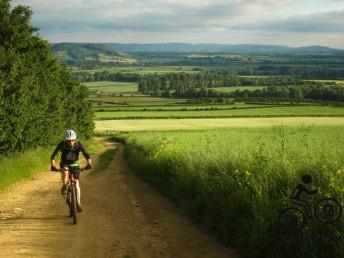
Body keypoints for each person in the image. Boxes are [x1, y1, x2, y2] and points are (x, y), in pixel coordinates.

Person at [50, 129, 92, 212]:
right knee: (65, 171)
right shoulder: (62, 144)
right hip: (65, 163)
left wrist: (89, 163)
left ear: (75, 139)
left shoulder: (78, 144)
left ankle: (78, 203)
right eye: (69, 141)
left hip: (75, 165)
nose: (71, 142)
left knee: (76, 185)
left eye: (72, 140)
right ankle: (64, 186)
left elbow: (86, 154)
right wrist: (53, 165)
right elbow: (53, 155)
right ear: (66, 140)